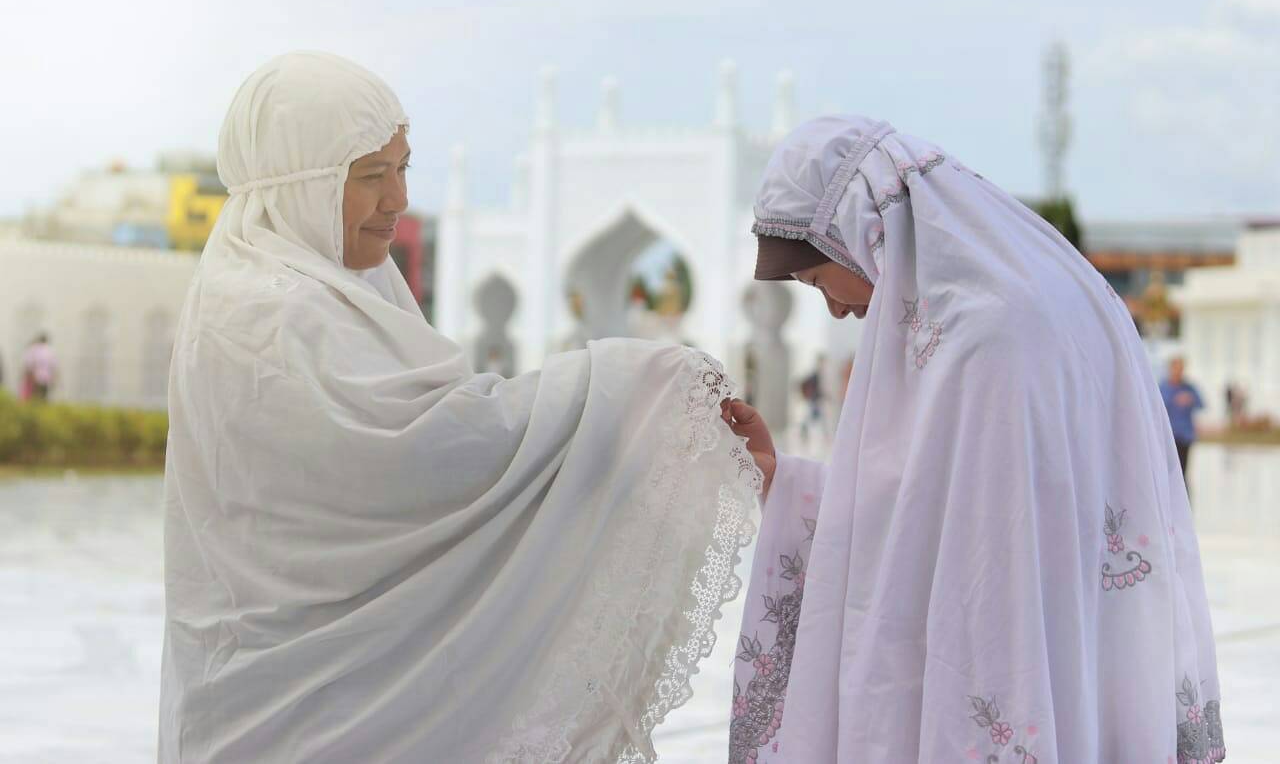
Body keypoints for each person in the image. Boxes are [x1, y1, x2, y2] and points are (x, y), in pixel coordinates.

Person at [159, 52, 764, 762]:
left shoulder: (351, 284)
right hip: (280, 701)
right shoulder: (265, 309)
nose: (397, 200)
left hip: (339, 694)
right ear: (301, 182)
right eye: (369, 176)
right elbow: (417, 457)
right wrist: (637, 385)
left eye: (403, 169)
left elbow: (440, 430)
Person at [726, 116, 1225, 763]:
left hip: (1003, 663)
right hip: (1083, 658)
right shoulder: (1033, 302)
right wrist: (783, 478)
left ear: (860, 235)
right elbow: (933, 511)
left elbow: (978, 554)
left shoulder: (983, 337)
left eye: (820, 280)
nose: (835, 308)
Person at [1160, 356, 1204, 495]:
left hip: (1185, 436)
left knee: (1183, 471)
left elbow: (1201, 404)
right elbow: (1157, 408)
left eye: (1181, 368)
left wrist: (1190, 399)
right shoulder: (1163, 387)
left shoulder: (1189, 388)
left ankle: (1183, 502)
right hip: (1168, 436)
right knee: (1167, 470)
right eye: (1176, 368)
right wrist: (1174, 400)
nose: (1179, 371)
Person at [20, 333, 57, 401]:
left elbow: (29, 365)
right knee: (43, 397)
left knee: (33, 397)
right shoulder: (50, 351)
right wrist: (53, 380)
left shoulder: (34, 349)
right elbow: (53, 367)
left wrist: (27, 376)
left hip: (35, 377)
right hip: (46, 379)